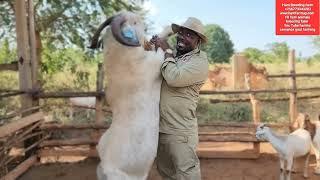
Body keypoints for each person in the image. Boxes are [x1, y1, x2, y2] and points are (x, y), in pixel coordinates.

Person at [152, 17, 209, 180]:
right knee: (167, 174)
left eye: (190, 35)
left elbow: (174, 78)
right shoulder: (175, 59)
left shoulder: (199, 62)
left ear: (198, 41)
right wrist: (154, 46)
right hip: (161, 130)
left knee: (186, 175)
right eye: (182, 33)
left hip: (180, 132)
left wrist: (167, 51)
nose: (183, 37)